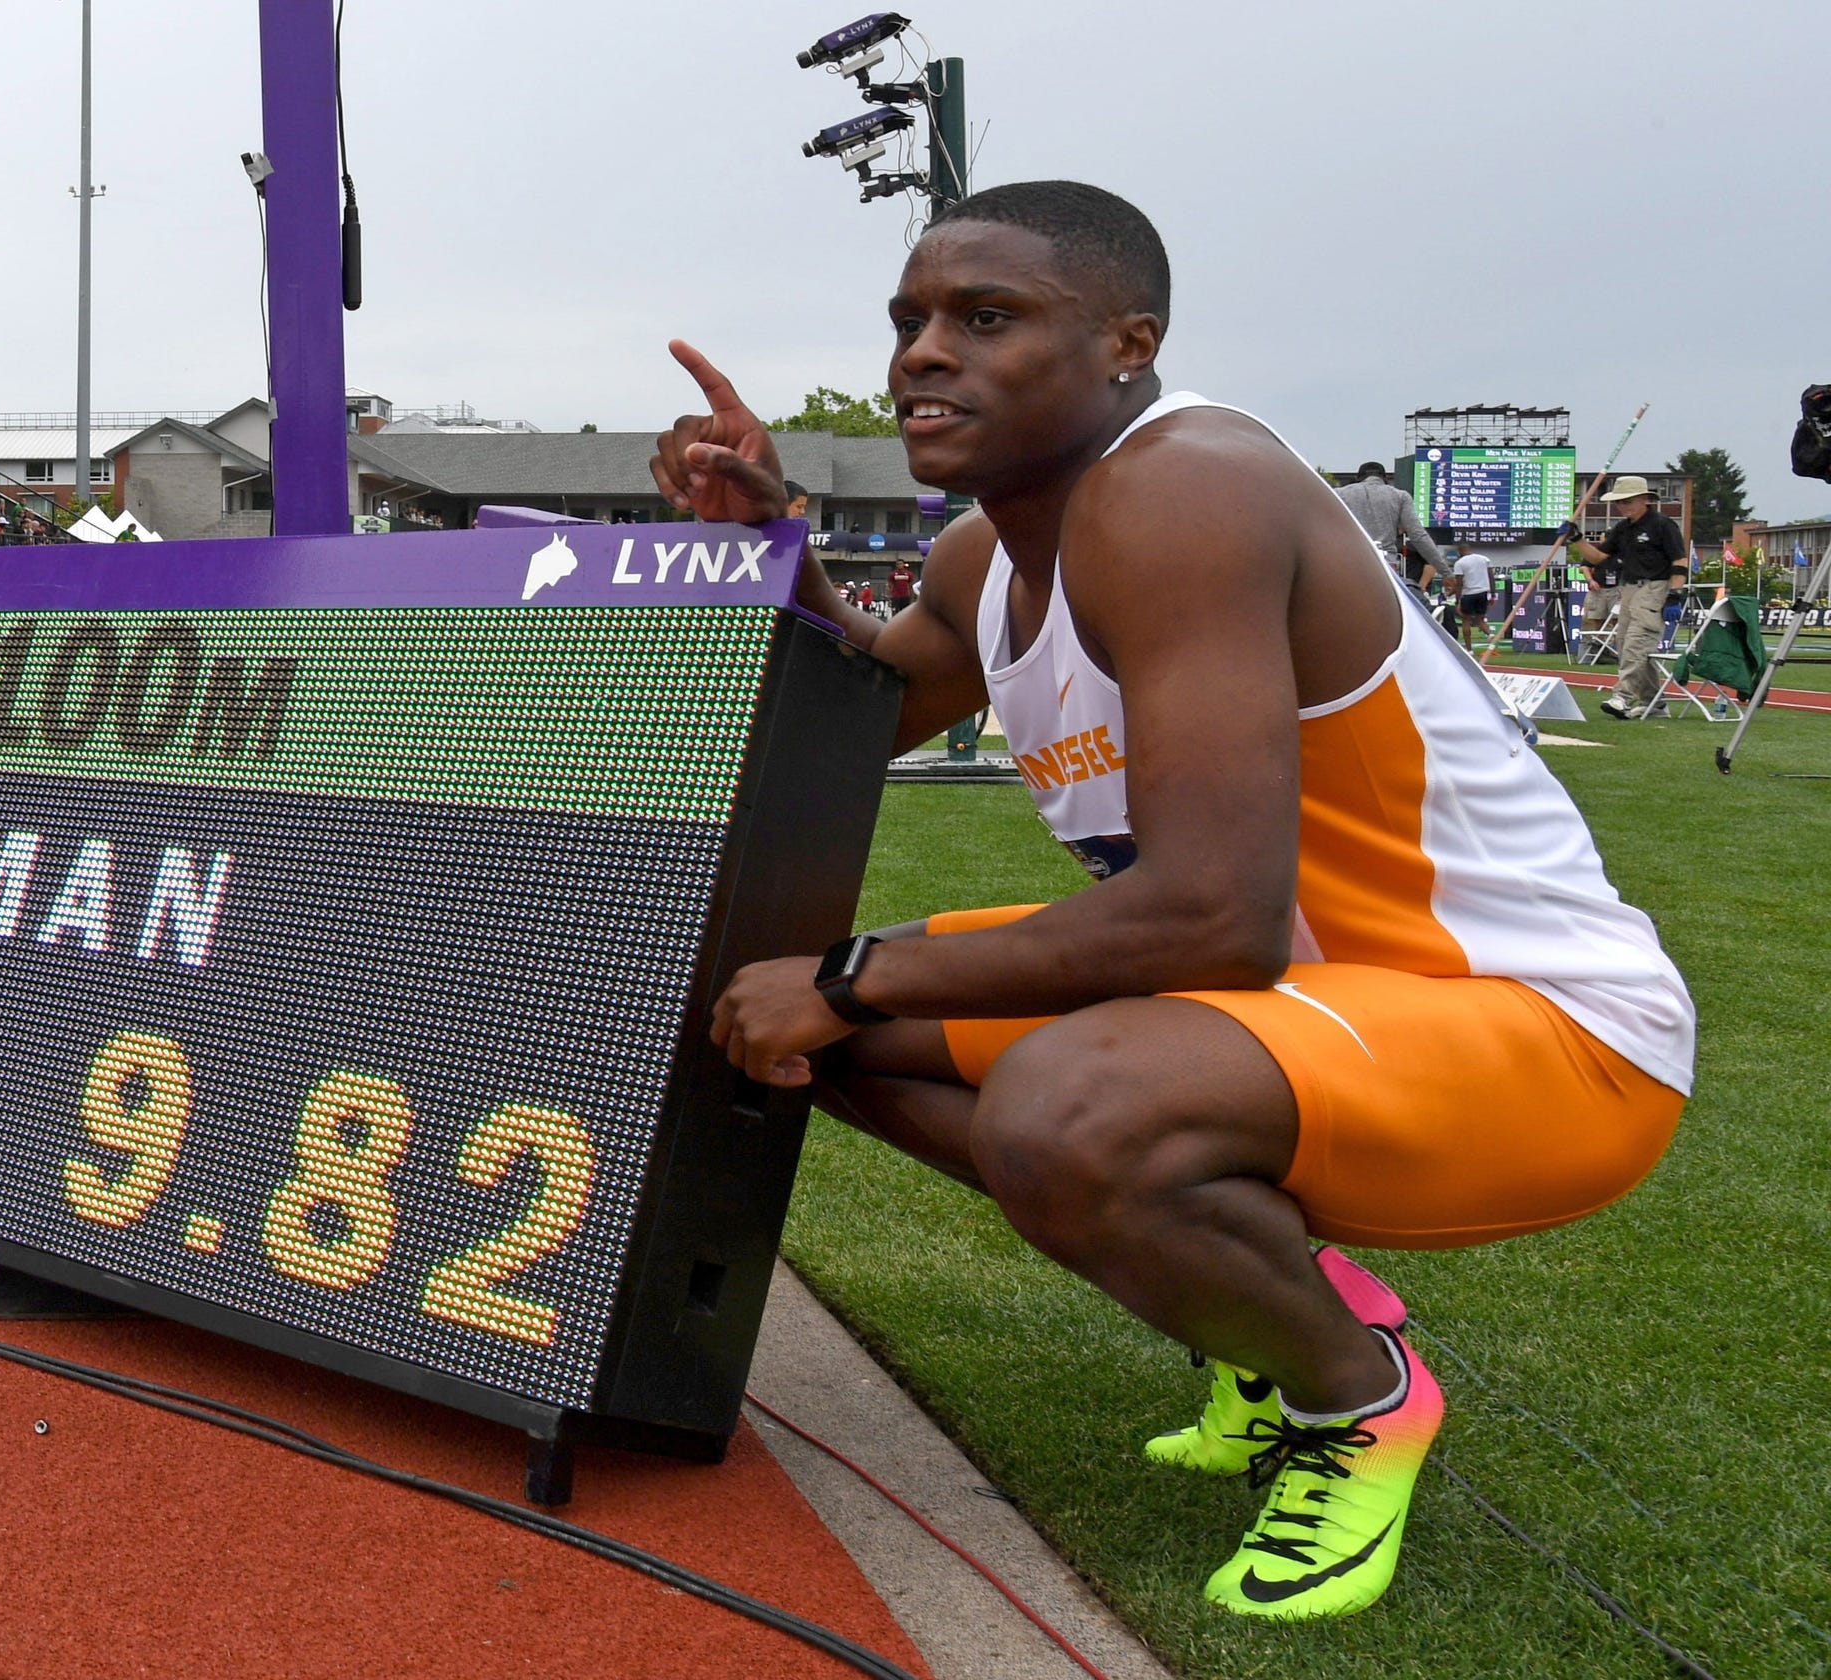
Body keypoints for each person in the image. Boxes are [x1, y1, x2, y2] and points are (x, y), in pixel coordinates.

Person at [656, 180, 1690, 1623]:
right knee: (796, 1023)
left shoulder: (1186, 486)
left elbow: (1214, 920)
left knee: (1053, 1097)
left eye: (987, 318)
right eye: (911, 321)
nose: (922, 355)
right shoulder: (978, 559)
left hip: (1538, 1027)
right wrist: (764, 548)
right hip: (1296, 1017)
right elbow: (850, 715)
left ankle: (1358, 1395)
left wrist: (851, 973)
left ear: (1128, 344)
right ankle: (1252, 1312)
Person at [1559, 476, 1688, 719]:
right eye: (1619, 502)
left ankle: (1622, 696)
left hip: (1654, 587)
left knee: (1637, 644)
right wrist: (1576, 538)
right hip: (1628, 589)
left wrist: (1674, 594)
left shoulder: (1662, 525)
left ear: (1644, 499)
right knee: (1627, 645)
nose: (1622, 506)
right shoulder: (1622, 528)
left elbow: (1679, 561)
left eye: (1627, 501)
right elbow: (1598, 558)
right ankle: (1655, 704)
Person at [1333, 461, 1447, 598]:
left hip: (1350, 565)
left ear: (1358, 479)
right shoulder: (1400, 496)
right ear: (1384, 479)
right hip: (1387, 567)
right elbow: (1418, 536)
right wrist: (1446, 572)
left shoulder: (1339, 494)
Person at [1449, 547, 1494, 648]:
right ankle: (1490, 634)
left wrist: (1457, 600)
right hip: (1482, 593)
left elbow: (1459, 583)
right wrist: (1493, 594)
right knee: (1480, 619)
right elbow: (1491, 577)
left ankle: (1469, 649)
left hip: (1468, 594)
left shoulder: (1460, 563)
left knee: (1466, 620)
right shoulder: (1484, 559)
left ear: (1459, 552)